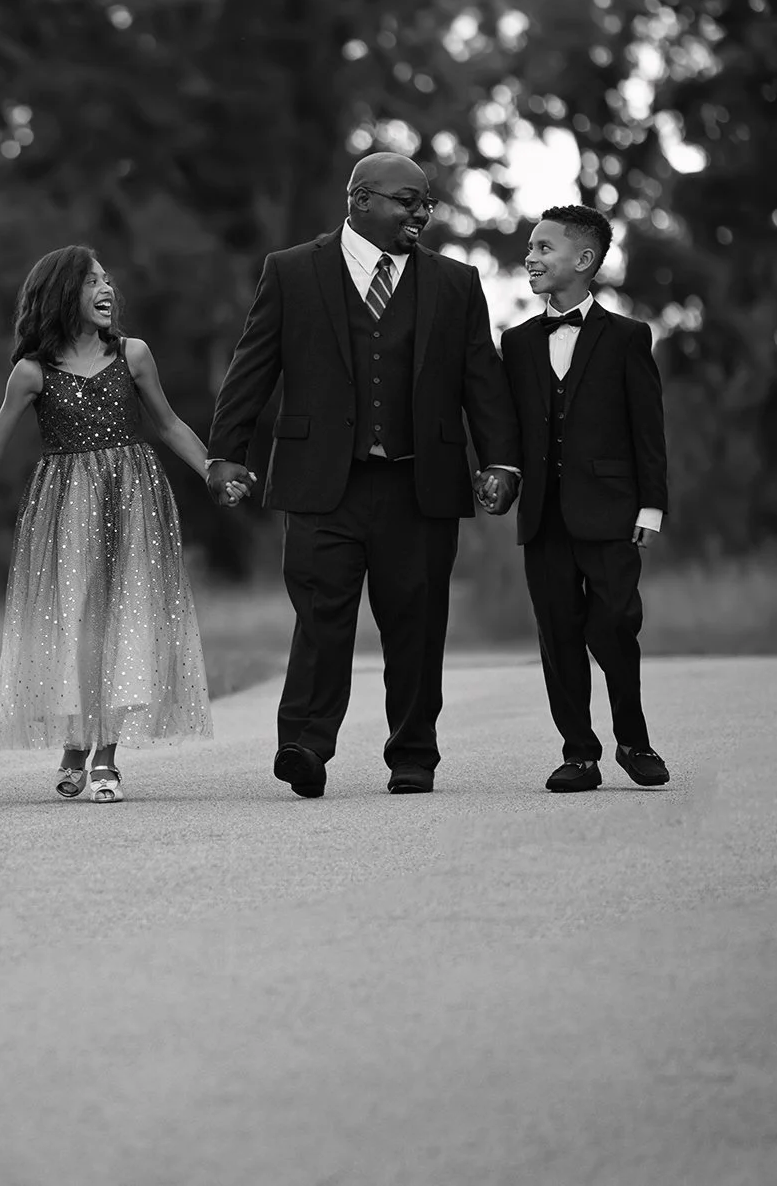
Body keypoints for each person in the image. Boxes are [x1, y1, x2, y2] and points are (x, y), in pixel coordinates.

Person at [206, 151, 521, 798]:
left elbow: (481, 378)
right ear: (361, 200)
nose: (422, 212)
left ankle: (413, 755)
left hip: (420, 484)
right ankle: (304, 745)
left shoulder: (456, 282)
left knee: (417, 624)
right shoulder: (292, 271)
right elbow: (253, 364)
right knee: (320, 618)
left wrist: (500, 460)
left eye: (427, 202)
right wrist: (226, 451)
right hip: (323, 482)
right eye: (408, 201)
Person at [0, 246, 220, 802]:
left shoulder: (133, 354)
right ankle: (77, 741)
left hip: (132, 496)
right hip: (67, 503)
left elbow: (170, 424)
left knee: (120, 617)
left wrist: (212, 471)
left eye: (108, 280)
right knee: (79, 621)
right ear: (63, 293)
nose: (107, 290)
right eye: (92, 282)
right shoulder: (32, 372)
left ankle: (105, 754)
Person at [499, 205, 670, 792]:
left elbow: (648, 431)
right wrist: (501, 473)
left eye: (543, 248)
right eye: (530, 248)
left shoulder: (627, 337)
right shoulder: (516, 342)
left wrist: (652, 506)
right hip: (543, 516)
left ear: (584, 259)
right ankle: (579, 753)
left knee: (616, 623)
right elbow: (508, 427)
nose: (530, 258)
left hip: (612, 513)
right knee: (558, 633)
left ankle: (634, 740)